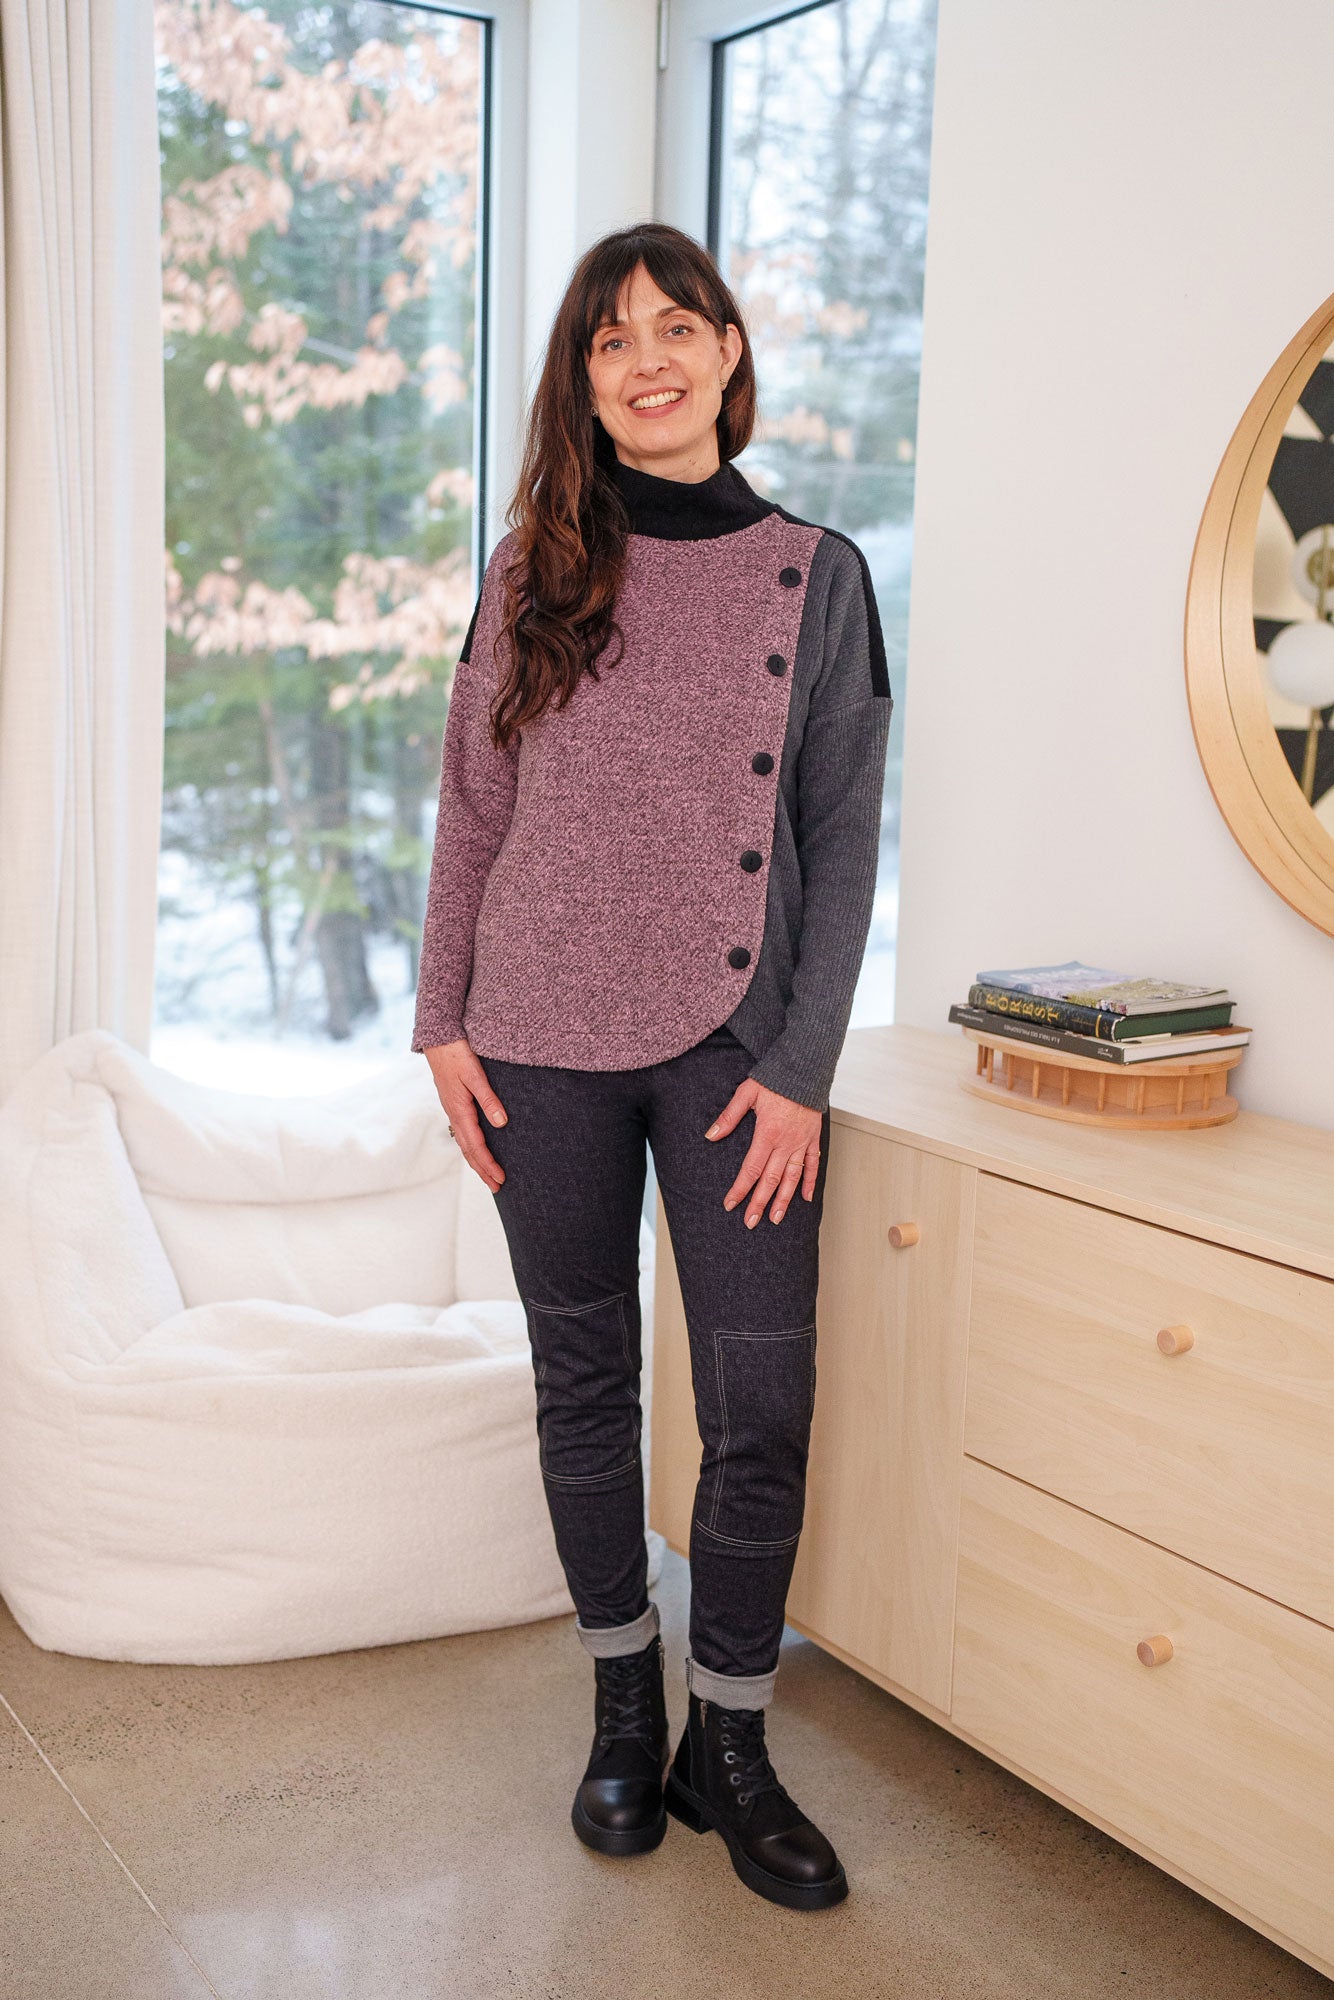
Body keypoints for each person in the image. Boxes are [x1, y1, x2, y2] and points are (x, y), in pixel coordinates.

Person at [412, 222, 892, 1913]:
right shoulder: (531, 561)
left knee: (760, 1407)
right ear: (586, 383)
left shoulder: (817, 575)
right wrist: (439, 1024)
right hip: (532, 1041)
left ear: (728, 355)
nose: (646, 359)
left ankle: (731, 1741)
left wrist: (804, 1068)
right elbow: (474, 807)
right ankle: (624, 1699)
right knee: (585, 1383)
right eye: (609, 340)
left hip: (734, 1053)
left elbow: (839, 841)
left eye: (674, 325)